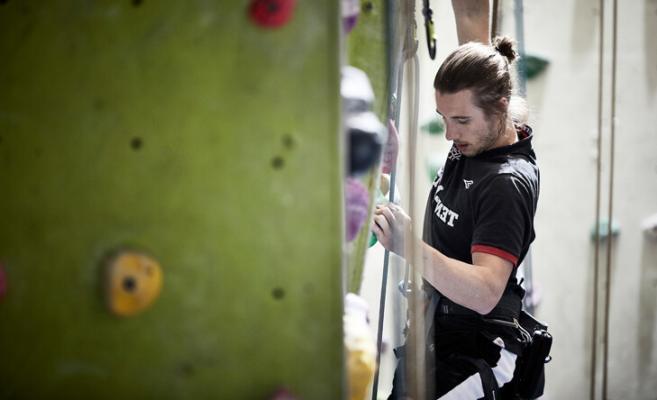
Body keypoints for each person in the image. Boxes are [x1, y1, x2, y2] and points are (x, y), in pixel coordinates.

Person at [372, 36, 539, 399]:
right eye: (443, 119)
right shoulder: (477, 139)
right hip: (440, 334)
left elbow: (484, 293)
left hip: (478, 352)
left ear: (500, 106)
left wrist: (409, 247)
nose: (450, 133)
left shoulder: (505, 183)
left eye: (461, 120)